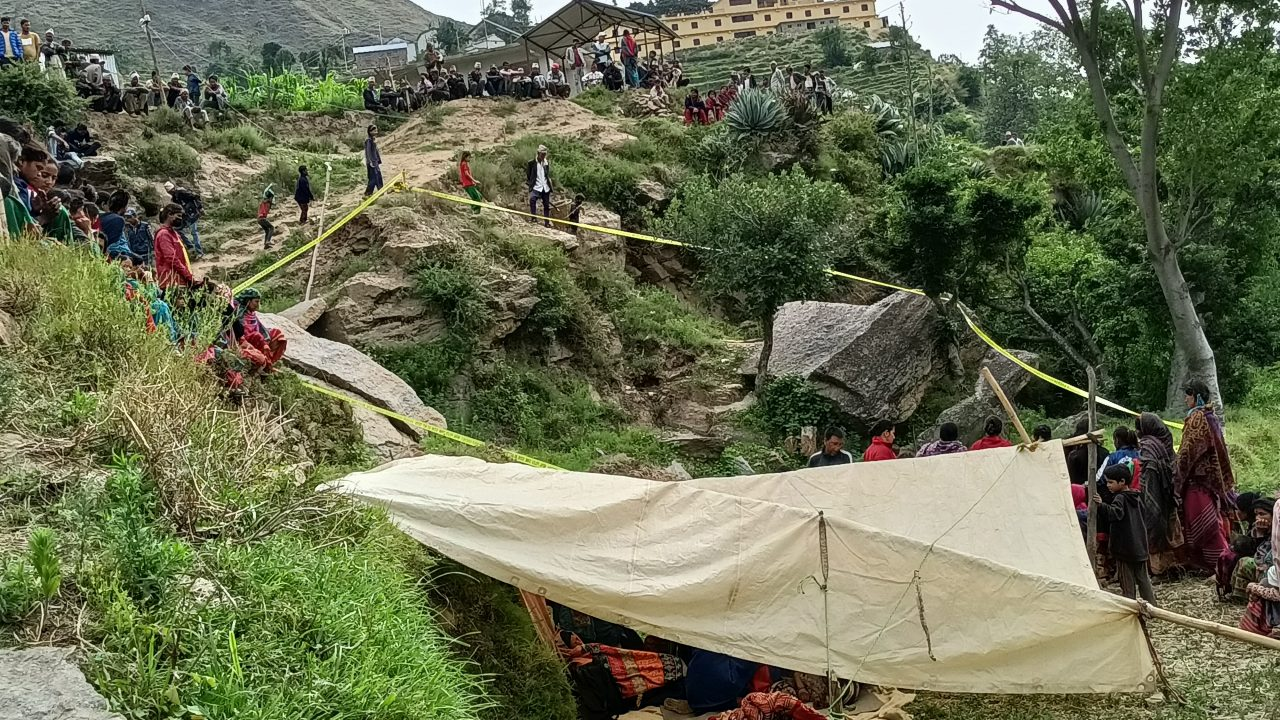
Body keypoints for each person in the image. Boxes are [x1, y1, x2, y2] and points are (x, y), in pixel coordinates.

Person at [1175, 379, 1235, 572]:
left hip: (1198, 480)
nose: (1185, 399)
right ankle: (1211, 565)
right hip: (1209, 479)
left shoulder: (1197, 419)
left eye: (1188, 395)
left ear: (1197, 396)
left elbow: (1188, 451)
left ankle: (1223, 564)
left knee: (1205, 524)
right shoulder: (1211, 416)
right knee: (1208, 521)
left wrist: (1178, 475)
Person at [1094, 463, 1156, 604]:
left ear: (1122, 482)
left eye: (1110, 482)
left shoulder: (1120, 498)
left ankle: (1130, 606)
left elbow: (1114, 514)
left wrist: (1101, 505)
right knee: (1143, 578)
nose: (1108, 485)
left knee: (1127, 581)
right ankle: (1152, 605)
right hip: (1139, 546)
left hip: (1124, 548)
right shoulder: (1136, 497)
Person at [1132, 413, 1183, 576]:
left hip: (1153, 487)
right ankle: (1166, 565)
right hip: (1168, 489)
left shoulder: (1147, 444)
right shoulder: (1166, 440)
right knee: (1164, 523)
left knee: (1152, 522)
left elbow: (1148, 468)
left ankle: (1155, 567)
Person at [231, 288, 287, 371]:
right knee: (258, 337)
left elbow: (259, 327)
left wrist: (266, 336)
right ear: (248, 301)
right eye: (256, 301)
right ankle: (267, 366)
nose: (258, 305)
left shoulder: (251, 313)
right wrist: (263, 340)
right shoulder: (240, 312)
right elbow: (242, 332)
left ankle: (270, 361)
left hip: (256, 336)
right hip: (244, 340)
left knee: (278, 334)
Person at [154, 203, 194, 290]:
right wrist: (188, 276)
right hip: (172, 282)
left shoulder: (174, 233)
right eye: (178, 216)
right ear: (170, 214)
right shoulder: (163, 234)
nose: (180, 218)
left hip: (180, 280)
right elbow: (171, 258)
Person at [165, 181, 204, 259]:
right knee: (178, 230)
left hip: (192, 213)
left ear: (172, 189)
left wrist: (200, 208)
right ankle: (191, 247)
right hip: (185, 216)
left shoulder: (182, 192)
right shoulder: (174, 198)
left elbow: (195, 196)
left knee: (194, 232)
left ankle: (199, 251)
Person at [102, 191, 141, 264]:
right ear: (124, 206)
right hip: (116, 255)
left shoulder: (104, 217)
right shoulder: (118, 220)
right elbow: (114, 245)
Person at [527, 144, 552, 227]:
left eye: (545, 154)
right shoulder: (531, 163)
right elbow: (529, 175)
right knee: (532, 200)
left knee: (546, 206)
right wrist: (531, 183)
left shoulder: (546, 163)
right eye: (542, 154)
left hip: (545, 187)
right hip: (536, 186)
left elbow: (547, 174)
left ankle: (547, 223)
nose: (544, 156)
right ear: (538, 153)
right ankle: (534, 218)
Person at [364, 124, 383, 197]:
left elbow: (375, 152)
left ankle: (381, 191)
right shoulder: (368, 141)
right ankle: (368, 193)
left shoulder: (372, 140)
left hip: (375, 162)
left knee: (378, 177)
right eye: (374, 130)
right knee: (373, 178)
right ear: (370, 131)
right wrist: (370, 162)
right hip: (371, 163)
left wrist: (378, 160)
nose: (376, 131)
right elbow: (368, 152)